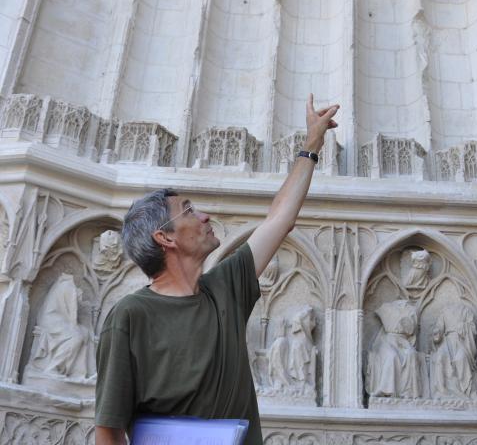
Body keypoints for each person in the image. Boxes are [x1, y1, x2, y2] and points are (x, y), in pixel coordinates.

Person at [94, 94, 339, 445]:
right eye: (189, 210)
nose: (204, 216)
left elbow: (280, 219)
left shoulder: (226, 285)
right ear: (164, 237)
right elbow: (108, 429)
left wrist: (311, 145)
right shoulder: (130, 316)